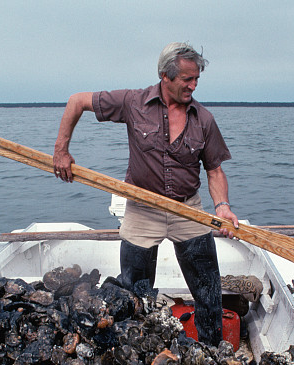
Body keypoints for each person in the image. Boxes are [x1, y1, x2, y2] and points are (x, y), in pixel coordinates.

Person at [53, 42, 238, 346]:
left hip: (187, 211)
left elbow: (214, 171)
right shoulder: (133, 102)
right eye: (186, 80)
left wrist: (223, 206)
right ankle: (135, 353)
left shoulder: (204, 119)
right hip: (142, 209)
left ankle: (212, 354)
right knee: (133, 291)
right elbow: (76, 101)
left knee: (208, 292)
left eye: (196, 80)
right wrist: (61, 151)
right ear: (165, 76)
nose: (192, 86)